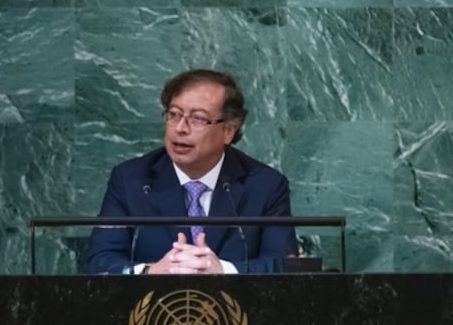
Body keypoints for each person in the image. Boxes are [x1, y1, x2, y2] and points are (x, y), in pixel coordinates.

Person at [85, 69, 297, 274]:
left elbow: (284, 266)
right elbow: (100, 261)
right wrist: (150, 271)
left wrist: (223, 270)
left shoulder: (265, 185)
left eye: (198, 119)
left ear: (228, 131)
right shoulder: (131, 179)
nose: (180, 128)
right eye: (174, 114)